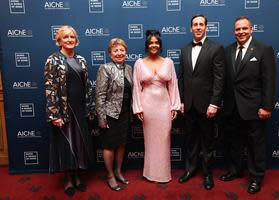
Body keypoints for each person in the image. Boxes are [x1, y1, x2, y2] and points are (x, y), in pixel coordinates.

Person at [219, 16, 276, 194]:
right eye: (238, 29)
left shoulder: (263, 49)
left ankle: (256, 177)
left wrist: (266, 106)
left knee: (255, 145)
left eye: (244, 28)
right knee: (234, 143)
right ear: (234, 31)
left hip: (254, 108)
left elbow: (269, 80)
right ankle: (235, 171)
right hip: (231, 107)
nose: (241, 32)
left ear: (251, 29)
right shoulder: (227, 51)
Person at [44, 26, 94, 196]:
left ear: (76, 39)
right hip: (63, 109)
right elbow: (50, 88)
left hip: (80, 108)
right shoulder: (53, 60)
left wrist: (90, 107)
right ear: (59, 40)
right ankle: (68, 179)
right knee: (66, 143)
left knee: (79, 142)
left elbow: (87, 86)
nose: (70, 40)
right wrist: (54, 114)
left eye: (72, 37)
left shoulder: (81, 59)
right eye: (66, 37)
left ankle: (77, 175)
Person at [177, 14, 225, 190]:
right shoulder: (184, 50)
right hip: (188, 105)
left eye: (201, 24)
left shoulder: (216, 48)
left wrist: (214, 103)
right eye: (195, 25)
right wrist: (181, 101)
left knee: (208, 142)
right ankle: (190, 169)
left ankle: (207, 174)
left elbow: (220, 79)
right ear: (190, 28)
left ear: (206, 27)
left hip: (207, 106)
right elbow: (181, 77)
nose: (198, 27)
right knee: (190, 140)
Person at [132, 30, 181, 183]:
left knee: (164, 139)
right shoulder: (139, 63)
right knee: (150, 141)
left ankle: (163, 174)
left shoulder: (168, 62)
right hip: (147, 106)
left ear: (160, 45)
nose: (154, 45)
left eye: (156, 43)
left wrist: (175, 106)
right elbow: (136, 87)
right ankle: (150, 173)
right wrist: (138, 108)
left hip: (164, 106)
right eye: (151, 43)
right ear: (147, 45)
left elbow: (173, 86)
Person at [95, 38, 132, 191]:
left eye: (122, 50)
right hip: (110, 114)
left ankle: (118, 171)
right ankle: (110, 175)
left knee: (121, 144)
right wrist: (102, 118)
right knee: (109, 146)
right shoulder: (105, 68)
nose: (119, 53)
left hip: (125, 114)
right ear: (110, 54)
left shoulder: (129, 68)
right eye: (115, 50)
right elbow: (100, 94)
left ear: (126, 52)